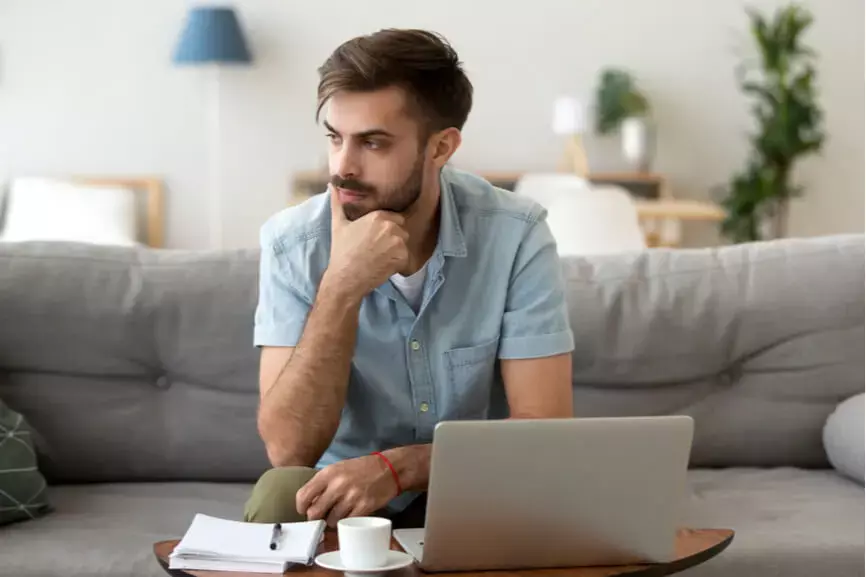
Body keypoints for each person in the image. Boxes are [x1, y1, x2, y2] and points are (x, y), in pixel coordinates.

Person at [244, 28, 574, 529]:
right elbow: (289, 450)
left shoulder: (515, 236)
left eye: (372, 142)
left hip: (475, 486)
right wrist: (341, 285)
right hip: (342, 497)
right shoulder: (293, 244)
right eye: (335, 138)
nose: (343, 167)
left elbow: (544, 428)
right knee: (279, 493)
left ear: (441, 147)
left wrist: (399, 469)